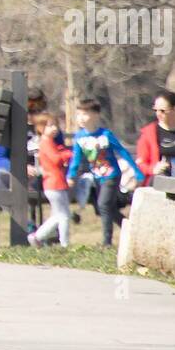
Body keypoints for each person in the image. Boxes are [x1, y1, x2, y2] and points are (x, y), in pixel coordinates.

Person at [66, 100, 143, 245]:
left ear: (95, 115)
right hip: (97, 176)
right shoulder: (80, 137)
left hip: (111, 175)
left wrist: (137, 172)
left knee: (103, 205)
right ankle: (131, 230)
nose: (80, 118)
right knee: (108, 208)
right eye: (78, 114)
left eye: (84, 114)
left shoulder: (105, 135)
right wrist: (71, 175)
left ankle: (106, 242)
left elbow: (123, 152)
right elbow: (75, 159)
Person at [27, 114, 73, 248]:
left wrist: (62, 151)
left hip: (57, 183)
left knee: (60, 215)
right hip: (54, 184)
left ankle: (37, 237)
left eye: (56, 125)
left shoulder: (51, 142)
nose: (55, 128)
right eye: (50, 125)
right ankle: (63, 244)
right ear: (41, 128)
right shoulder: (45, 142)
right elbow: (55, 159)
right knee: (63, 216)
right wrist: (67, 154)